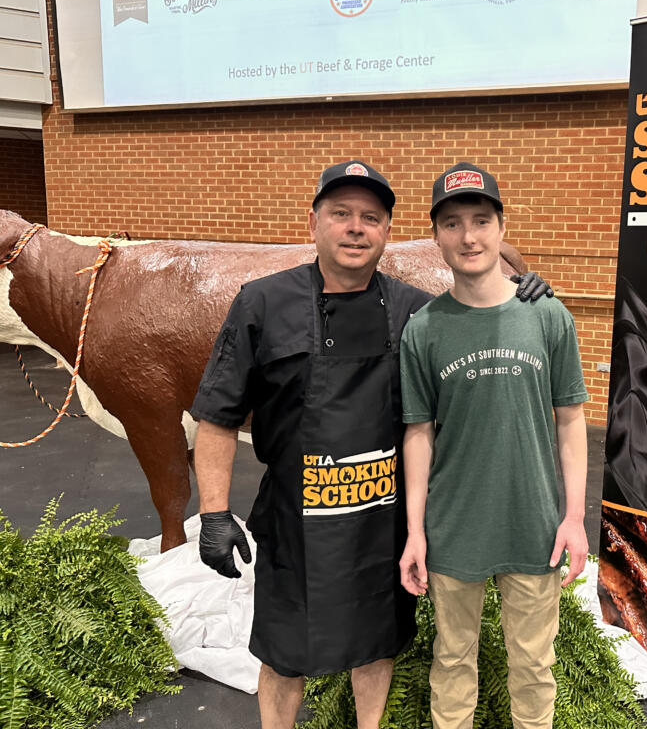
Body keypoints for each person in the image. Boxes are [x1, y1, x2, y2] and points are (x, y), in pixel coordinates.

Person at [189, 160, 551, 729]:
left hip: (380, 526)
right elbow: (216, 416)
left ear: (387, 231)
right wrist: (213, 512)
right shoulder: (261, 304)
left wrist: (523, 296)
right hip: (296, 522)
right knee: (283, 655)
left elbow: (472, 318)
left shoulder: (414, 311)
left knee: (375, 646)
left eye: (371, 218)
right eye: (342, 215)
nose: (356, 228)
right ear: (314, 223)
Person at [398, 162, 589, 729]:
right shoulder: (424, 329)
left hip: (533, 525)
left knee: (534, 666)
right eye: (452, 224)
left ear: (502, 228)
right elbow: (417, 433)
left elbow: (571, 422)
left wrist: (574, 517)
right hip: (453, 526)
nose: (469, 236)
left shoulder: (547, 315)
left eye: (481, 220)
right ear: (436, 237)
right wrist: (415, 531)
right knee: (452, 661)